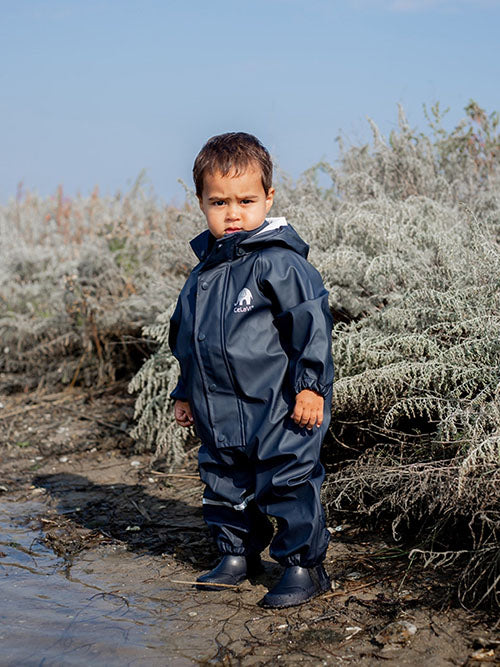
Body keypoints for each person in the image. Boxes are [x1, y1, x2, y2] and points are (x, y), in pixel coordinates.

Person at [168, 132, 334, 608]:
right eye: (219, 202)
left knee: (287, 481)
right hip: (218, 408)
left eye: (246, 200)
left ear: (269, 198)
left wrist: (311, 388)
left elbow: (312, 328)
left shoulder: (281, 265)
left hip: (280, 406)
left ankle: (305, 566)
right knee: (224, 481)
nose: (233, 213)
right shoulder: (201, 276)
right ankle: (238, 554)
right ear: (200, 201)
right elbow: (187, 339)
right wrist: (184, 392)